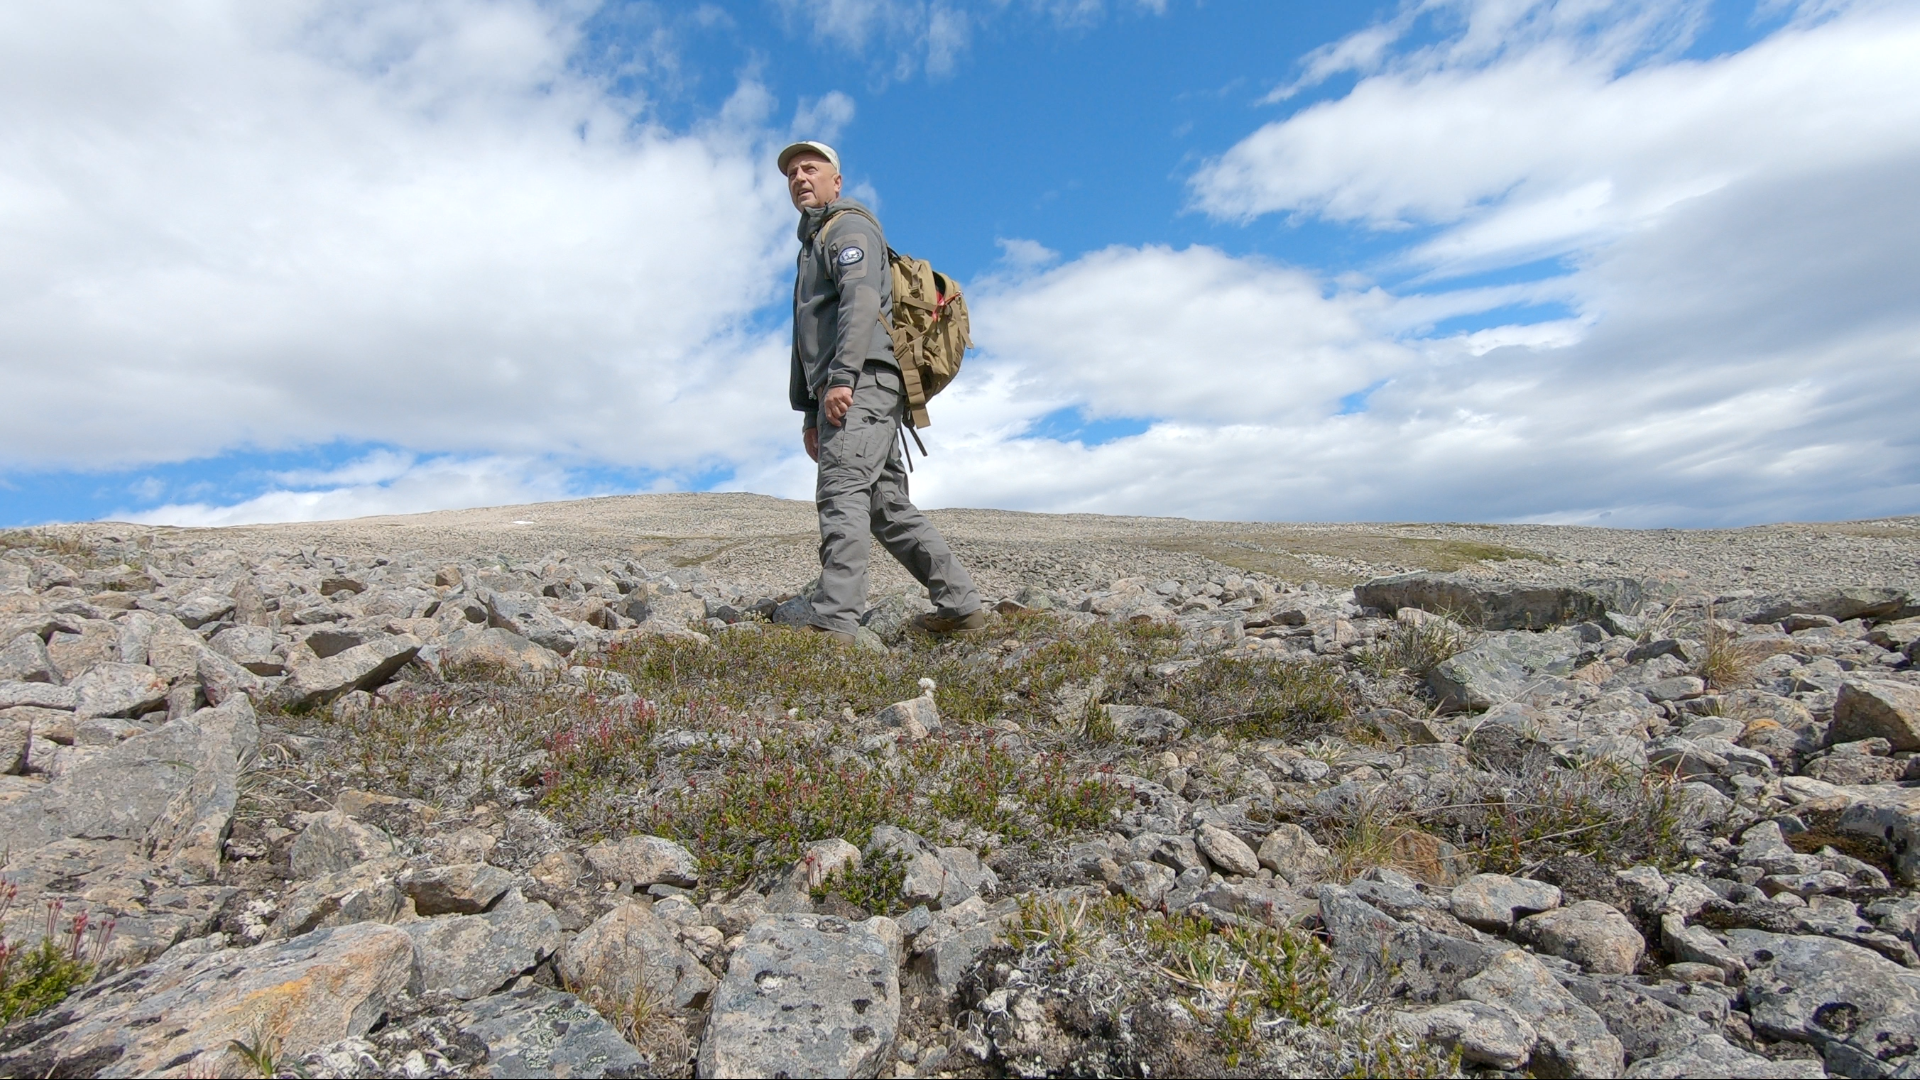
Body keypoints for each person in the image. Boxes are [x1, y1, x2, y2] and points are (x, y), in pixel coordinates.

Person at [779, 139, 985, 644]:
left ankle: (834, 625)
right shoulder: (813, 245)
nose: (800, 177)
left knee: (842, 490)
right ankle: (961, 608)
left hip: (861, 380)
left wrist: (843, 378)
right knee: (884, 505)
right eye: (792, 173)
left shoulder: (848, 226)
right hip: (855, 384)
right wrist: (808, 412)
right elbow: (804, 340)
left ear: (836, 180)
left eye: (811, 168)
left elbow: (861, 299)